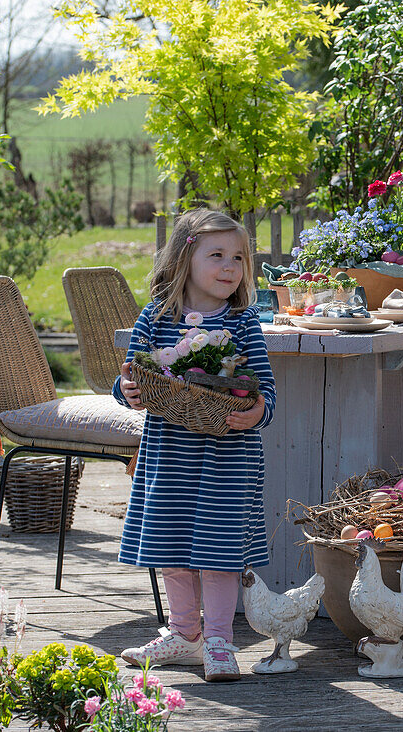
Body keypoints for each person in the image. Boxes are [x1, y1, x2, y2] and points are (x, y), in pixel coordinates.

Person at [113, 209, 276, 682]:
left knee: (218, 550)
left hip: (229, 459)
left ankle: (220, 642)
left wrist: (256, 412)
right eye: (218, 255)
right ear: (186, 258)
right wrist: (126, 392)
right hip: (170, 455)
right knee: (171, 547)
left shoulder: (243, 322)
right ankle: (185, 636)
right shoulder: (155, 318)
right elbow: (129, 377)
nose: (230, 266)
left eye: (239, 258)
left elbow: (265, 391)